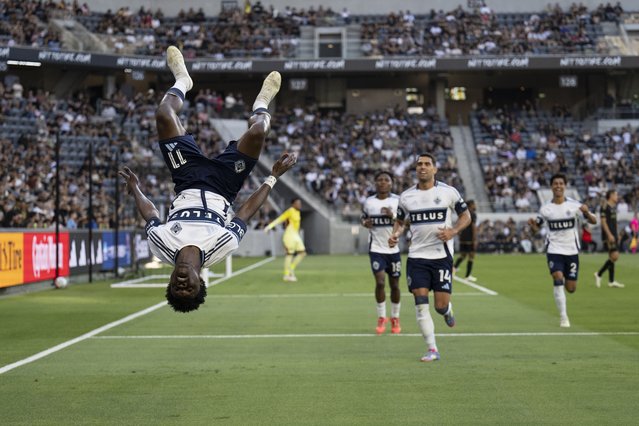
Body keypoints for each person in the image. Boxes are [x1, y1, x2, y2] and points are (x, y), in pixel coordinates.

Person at [120, 46, 296, 313]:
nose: (182, 284)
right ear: (201, 283)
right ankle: (261, 103)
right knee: (258, 129)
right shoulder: (219, 248)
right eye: (189, 288)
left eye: (176, 288)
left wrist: (135, 190)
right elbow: (244, 214)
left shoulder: (160, 246)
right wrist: (272, 177)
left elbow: (151, 214)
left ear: (168, 283)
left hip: (186, 176)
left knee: (163, 114)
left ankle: (183, 80)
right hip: (224, 185)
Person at [389, 153, 471, 362]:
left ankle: (447, 310)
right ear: (415, 169)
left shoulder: (448, 192)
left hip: (441, 256)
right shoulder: (406, 197)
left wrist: (453, 231)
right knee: (420, 302)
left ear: (435, 169)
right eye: (419, 164)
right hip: (417, 257)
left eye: (427, 164)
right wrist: (396, 234)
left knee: (440, 306)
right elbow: (399, 221)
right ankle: (432, 349)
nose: (422, 167)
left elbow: (466, 216)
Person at [528, 174, 597, 327]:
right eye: (555, 183)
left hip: (571, 251)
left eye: (561, 183)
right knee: (557, 277)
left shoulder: (574, 205)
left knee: (571, 288)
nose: (558, 186)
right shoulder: (546, 208)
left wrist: (586, 212)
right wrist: (532, 225)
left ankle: (563, 286)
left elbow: (594, 220)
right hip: (554, 250)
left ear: (565, 186)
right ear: (551, 186)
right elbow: (535, 229)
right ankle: (563, 317)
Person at [361, 171, 402, 335]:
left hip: (393, 249)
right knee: (380, 282)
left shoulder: (398, 200)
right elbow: (363, 219)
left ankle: (395, 317)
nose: (383, 182)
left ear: (391, 183)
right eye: (379, 180)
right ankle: (381, 317)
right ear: (375, 183)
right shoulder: (369, 202)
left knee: (395, 285)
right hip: (376, 249)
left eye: (386, 180)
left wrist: (392, 216)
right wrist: (366, 223)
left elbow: (404, 222)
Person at [264, 197, 305, 281]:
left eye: (300, 203)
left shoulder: (298, 212)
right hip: (289, 235)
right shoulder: (290, 211)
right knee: (289, 254)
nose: (299, 205)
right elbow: (280, 219)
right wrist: (269, 227)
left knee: (302, 253)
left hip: (296, 235)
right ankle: (287, 275)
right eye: (298, 203)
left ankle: (291, 268)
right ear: (293, 204)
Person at [595, 189, 624, 288]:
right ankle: (599, 274)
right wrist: (609, 235)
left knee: (612, 257)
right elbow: (603, 222)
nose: (617, 196)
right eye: (616, 195)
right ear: (611, 196)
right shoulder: (604, 206)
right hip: (608, 235)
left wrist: (617, 235)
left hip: (613, 234)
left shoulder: (614, 207)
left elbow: (614, 222)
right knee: (615, 256)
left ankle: (611, 281)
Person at [453, 199, 478, 281]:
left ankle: (454, 268)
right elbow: (473, 227)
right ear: (471, 205)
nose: (475, 206)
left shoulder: (463, 213)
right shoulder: (473, 214)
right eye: (474, 204)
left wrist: (459, 232)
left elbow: (457, 222)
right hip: (470, 239)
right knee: (471, 256)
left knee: (463, 255)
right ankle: (467, 276)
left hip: (463, 238)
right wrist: (474, 239)